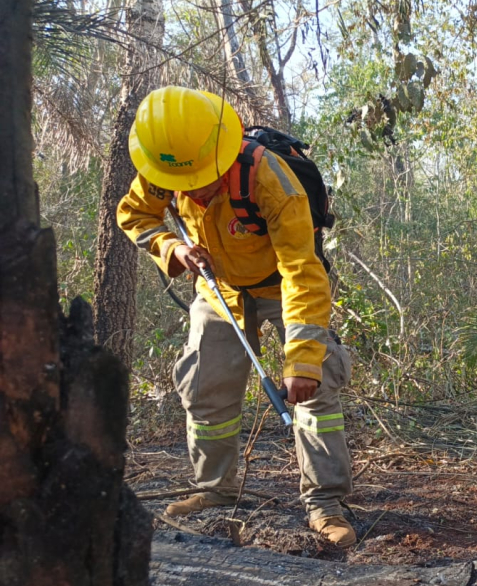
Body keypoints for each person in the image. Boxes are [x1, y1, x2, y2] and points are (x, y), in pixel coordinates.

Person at [117, 86, 357, 548]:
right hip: (218, 286)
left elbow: (303, 272)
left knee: (314, 388)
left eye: (202, 180)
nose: (190, 191)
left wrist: (302, 360)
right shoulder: (165, 170)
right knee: (206, 387)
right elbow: (134, 216)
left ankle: (326, 502)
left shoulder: (269, 180)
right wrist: (173, 247)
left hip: (280, 285)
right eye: (181, 184)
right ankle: (216, 490)